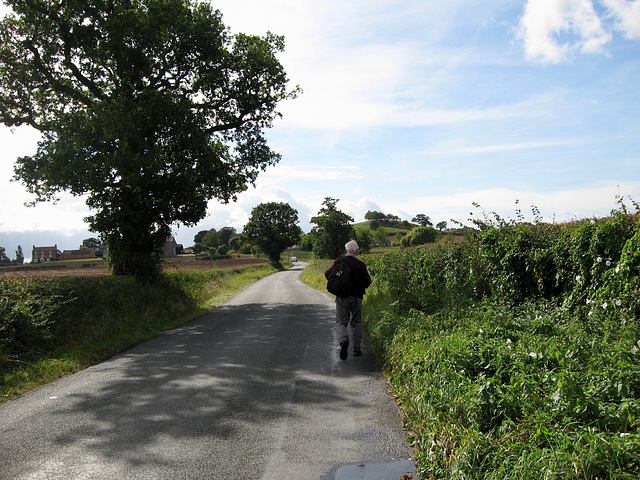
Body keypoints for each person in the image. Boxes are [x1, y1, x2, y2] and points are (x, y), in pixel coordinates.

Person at [325, 240, 372, 360]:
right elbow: (367, 282)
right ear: (356, 251)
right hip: (357, 298)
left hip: (342, 297)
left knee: (341, 322)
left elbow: (327, 274)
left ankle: (343, 340)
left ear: (346, 251)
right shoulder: (360, 265)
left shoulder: (338, 262)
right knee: (356, 322)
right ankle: (356, 349)